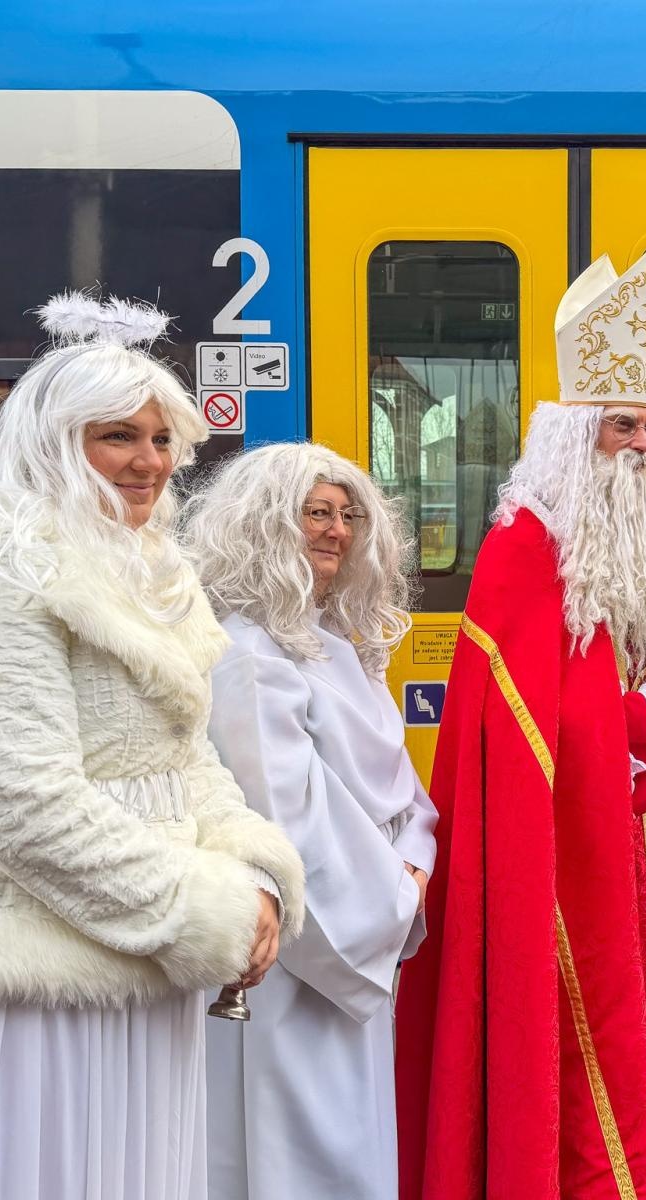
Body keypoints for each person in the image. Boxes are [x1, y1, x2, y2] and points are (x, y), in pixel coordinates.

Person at [0, 292, 306, 1200]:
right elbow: (24, 804)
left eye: (162, 438)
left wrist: (252, 872)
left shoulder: (155, 570)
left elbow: (185, 756)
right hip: (34, 986)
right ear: (57, 441)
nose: (149, 463)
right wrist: (199, 909)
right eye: (118, 437)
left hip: (141, 971)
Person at [395, 247, 646, 1200]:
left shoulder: (640, 548)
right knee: (583, 1055)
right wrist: (626, 726)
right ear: (572, 434)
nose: (642, 446)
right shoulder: (524, 547)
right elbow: (521, 737)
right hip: (568, 865)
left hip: (645, 855)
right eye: (621, 427)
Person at [184, 443, 438, 1200]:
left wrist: (414, 857)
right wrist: (396, 894)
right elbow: (285, 822)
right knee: (300, 1151)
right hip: (299, 955)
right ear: (265, 525)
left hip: (364, 928)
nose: (334, 530)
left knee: (346, 1141)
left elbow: (401, 791)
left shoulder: (335, 646)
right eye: (314, 513)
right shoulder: (250, 652)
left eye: (345, 515)